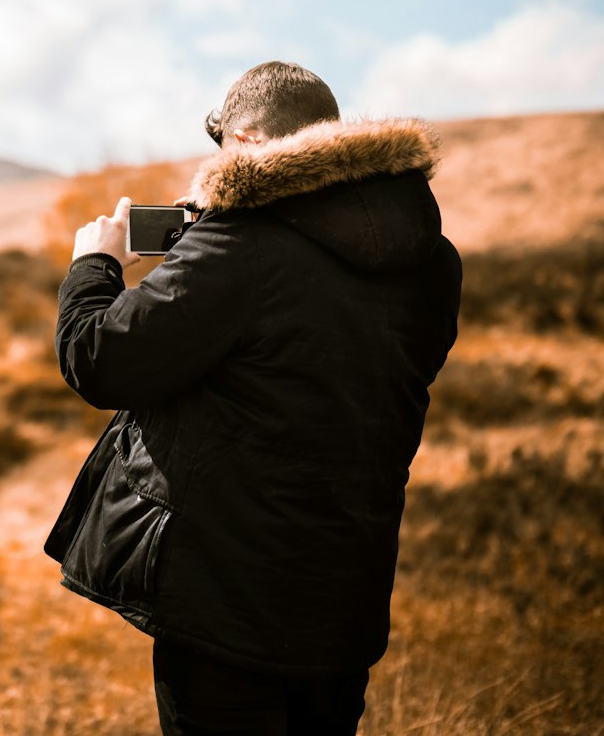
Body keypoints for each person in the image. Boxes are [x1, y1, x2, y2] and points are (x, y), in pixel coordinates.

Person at [45, 61, 461, 735]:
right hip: (345, 596)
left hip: (224, 598)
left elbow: (101, 359)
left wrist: (96, 263)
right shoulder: (434, 260)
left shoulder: (240, 243)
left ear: (242, 142)